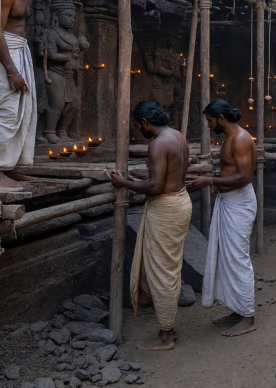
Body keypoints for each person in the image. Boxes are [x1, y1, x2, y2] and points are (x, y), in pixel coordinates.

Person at [109, 101, 192, 351]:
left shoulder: (157, 144)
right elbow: (167, 177)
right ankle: (168, 326)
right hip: (180, 200)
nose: (138, 131)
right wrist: (135, 181)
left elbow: (156, 186)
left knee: (163, 271)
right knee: (168, 267)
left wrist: (124, 183)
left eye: (137, 126)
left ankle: (166, 335)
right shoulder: (178, 136)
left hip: (166, 207)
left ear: (145, 123)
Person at [186, 100, 258, 337]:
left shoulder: (240, 139)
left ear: (220, 118)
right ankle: (237, 310)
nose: (208, 125)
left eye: (209, 121)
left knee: (237, 258)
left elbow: (245, 177)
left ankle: (248, 317)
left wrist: (211, 181)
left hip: (240, 202)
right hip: (229, 202)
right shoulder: (230, 138)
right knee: (227, 258)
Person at [0, 0, 55, 185]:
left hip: (18, 53)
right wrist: (11, 70)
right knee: (8, 112)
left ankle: (9, 167)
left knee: (24, 112)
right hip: (2, 55)